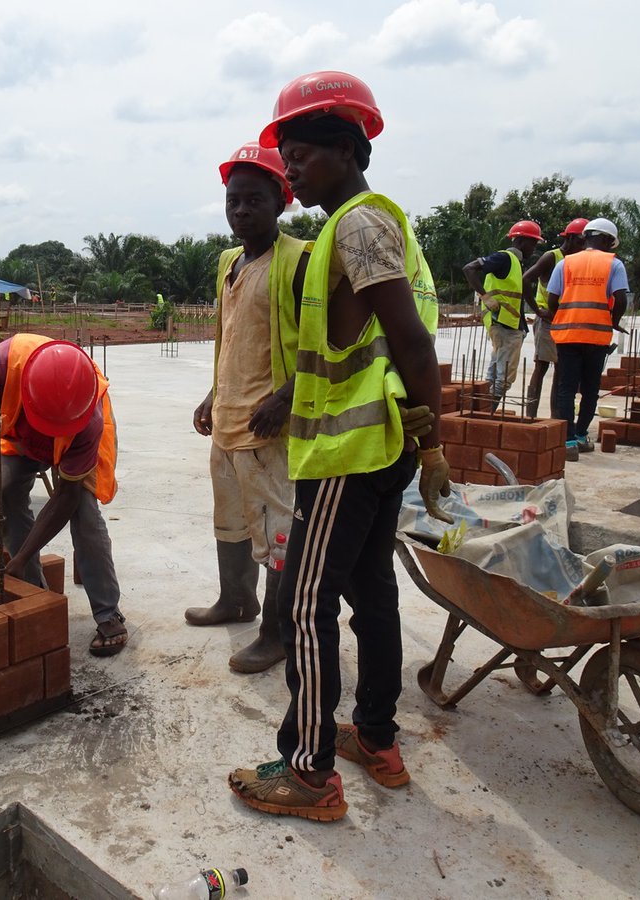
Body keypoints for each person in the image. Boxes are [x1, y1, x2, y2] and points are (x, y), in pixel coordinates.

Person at [228, 70, 450, 822]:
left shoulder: (355, 225)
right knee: (371, 595)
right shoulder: (375, 227)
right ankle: (378, 740)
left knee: (305, 610)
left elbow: (416, 345)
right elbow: (389, 342)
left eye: (301, 152)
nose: (289, 166)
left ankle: (311, 770)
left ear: (349, 148)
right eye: (284, 152)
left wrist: (438, 445)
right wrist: (419, 445)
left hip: (346, 457)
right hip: (377, 448)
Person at [185, 141, 308, 675]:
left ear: (281, 202)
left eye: (253, 200)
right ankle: (236, 600)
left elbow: (325, 341)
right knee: (230, 521)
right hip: (228, 420)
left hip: (269, 428)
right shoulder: (228, 263)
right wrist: (215, 391)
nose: (240, 210)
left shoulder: (298, 261)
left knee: (276, 533)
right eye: (233, 200)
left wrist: (286, 398)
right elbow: (228, 337)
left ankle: (277, 634)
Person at [0, 335, 128, 655]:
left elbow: (64, 497)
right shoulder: (1, 365)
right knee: (6, 491)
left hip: (78, 438)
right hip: (23, 435)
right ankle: (35, 593)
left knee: (85, 515)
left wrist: (20, 556)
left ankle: (108, 613)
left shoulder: (88, 418)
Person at [546, 217, 628, 456]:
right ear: (606, 239)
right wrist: (613, 322)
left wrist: (562, 316)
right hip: (597, 336)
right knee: (590, 388)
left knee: (566, 388)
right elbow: (621, 299)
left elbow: (552, 299)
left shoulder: (566, 263)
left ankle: (568, 441)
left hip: (568, 334)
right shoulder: (614, 264)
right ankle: (581, 435)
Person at [463, 221, 542, 410]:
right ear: (522, 241)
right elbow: (469, 268)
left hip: (506, 324)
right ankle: (486, 415)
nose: (534, 249)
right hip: (505, 325)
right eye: (533, 243)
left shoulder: (515, 263)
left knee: (494, 374)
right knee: (504, 378)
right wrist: (484, 295)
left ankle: (481, 413)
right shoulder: (505, 258)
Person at [520, 218, 588, 417]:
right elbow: (526, 280)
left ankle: (555, 419)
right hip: (548, 322)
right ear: (573, 238)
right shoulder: (552, 257)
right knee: (541, 367)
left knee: (561, 371)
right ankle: (530, 417)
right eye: (582, 243)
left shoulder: (578, 261)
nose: (584, 248)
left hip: (566, 322)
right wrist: (537, 310)